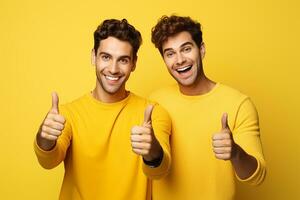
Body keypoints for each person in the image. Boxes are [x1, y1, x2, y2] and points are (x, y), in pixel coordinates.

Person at [34, 19, 171, 200]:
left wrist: (152, 151)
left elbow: (160, 171)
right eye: (106, 57)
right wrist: (44, 138)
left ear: (134, 63)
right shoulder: (68, 114)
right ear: (93, 57)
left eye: (123, 60)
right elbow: (49, 161)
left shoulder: (153, 113)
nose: (113, 69)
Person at [150, 15, 266, 200]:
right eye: (170, 53)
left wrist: (235, 152)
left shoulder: (239, 104)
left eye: (186, 49)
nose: (179, 60)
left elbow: (256, 176)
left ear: (201, 50)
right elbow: (152, 172)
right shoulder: (155, 102)